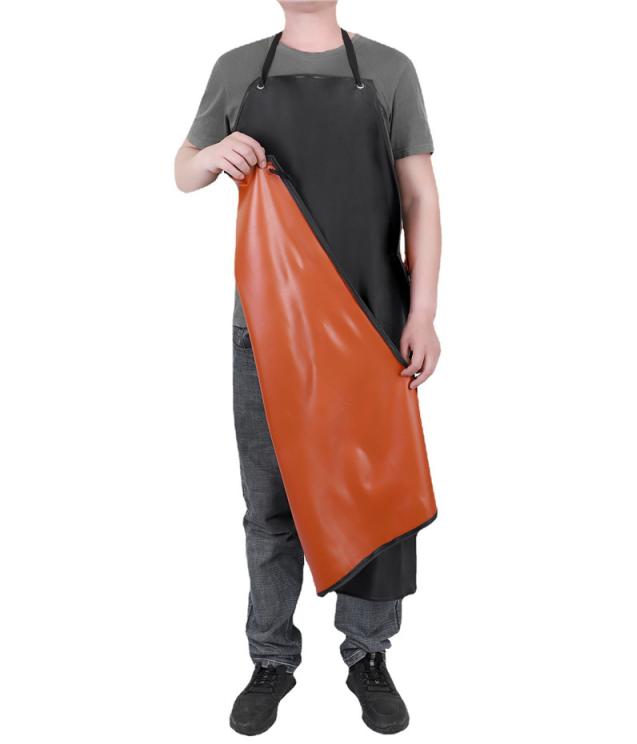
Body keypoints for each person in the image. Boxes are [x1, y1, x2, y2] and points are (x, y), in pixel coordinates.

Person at [174, 1, 441, 736]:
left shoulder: (389, 69)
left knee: (376, 496)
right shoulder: (237, 69)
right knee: (270, 508)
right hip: (266, 330)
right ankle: (270, 660)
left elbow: (420, 196)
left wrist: (422, 312)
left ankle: (368, 654)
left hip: (371, 321)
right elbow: (183, 171)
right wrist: (210, 155)